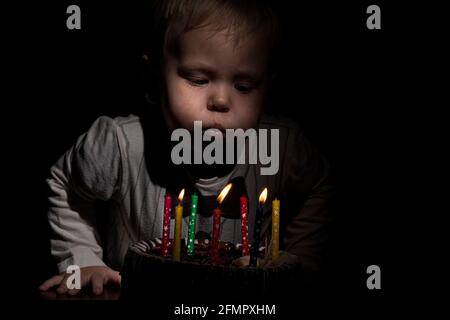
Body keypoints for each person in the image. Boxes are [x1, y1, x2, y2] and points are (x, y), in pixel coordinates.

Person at [39, 0, 334, 296]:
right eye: (199, 79)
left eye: (244, 86)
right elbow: (66, 185)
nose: (221, 100)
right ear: (152, 80)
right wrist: (82, 259)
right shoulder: (121, 144)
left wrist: (302, 264)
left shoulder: (282, 149)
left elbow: (322, 183)